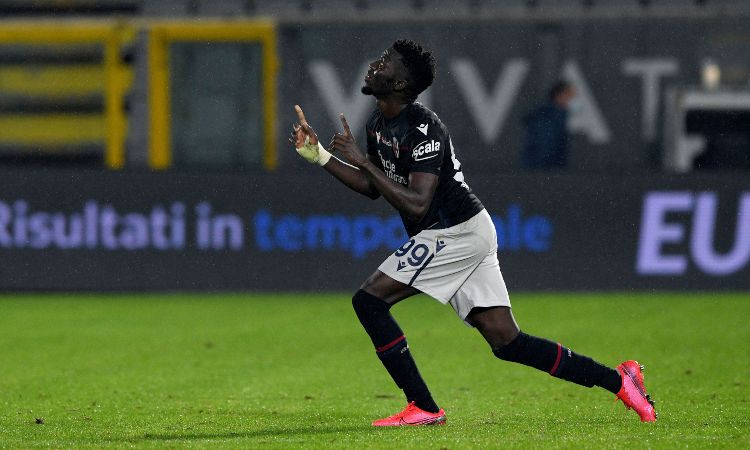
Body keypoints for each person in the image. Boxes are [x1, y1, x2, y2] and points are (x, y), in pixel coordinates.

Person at [290, 39, 656, 426]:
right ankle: (620, 380)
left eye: (385, 63)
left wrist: (363, 160)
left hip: (454, 230)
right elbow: (372, 187)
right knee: (507, 342)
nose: (375, 65)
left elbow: (416, 203)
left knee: (369, 302)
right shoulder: (378, 124)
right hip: (458, 233)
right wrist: (321, 157)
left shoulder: (424, 127)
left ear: (399, 84)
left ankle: (424, 407)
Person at [521, 80, 576, 169]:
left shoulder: (556, 114)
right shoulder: (548, 116)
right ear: (559, 95)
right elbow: (545, 147)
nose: (572, 98)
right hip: (542, 173)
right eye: (569, 95)